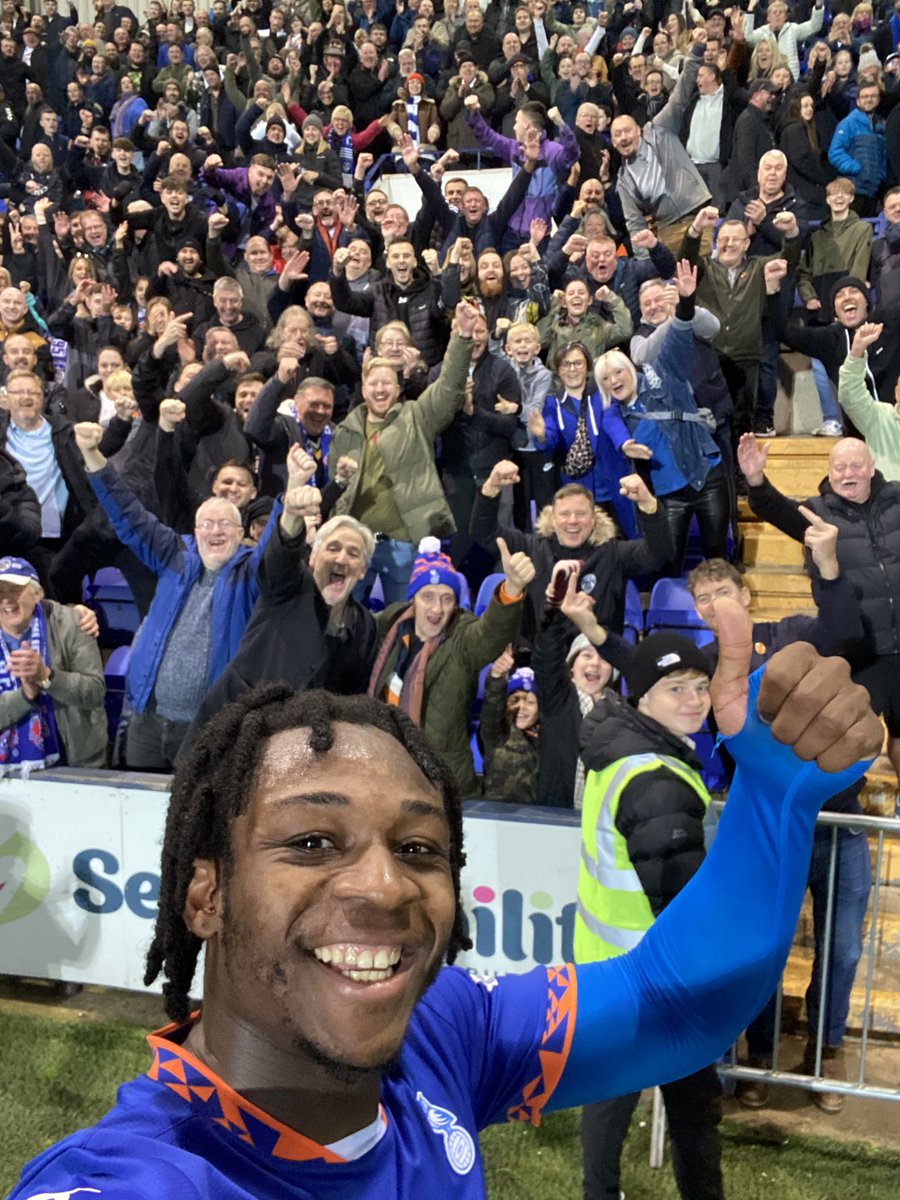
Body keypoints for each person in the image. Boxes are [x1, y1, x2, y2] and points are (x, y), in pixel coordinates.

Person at [8, 601, 882, 1200]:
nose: (385, 885)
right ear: (205, 893)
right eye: (313, 841)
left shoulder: (442, 1034)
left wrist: (773, 798)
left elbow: (669, 1003)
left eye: (419, 848)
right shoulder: (138, 1176)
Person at [687, 555, 869, 1114]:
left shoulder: (791, 631)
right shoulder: (701, 663)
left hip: (839, 824)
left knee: (840, 951)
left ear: (745, 595)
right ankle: (760, 1055)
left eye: (723, 592)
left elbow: (842, 630)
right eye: (704, 599)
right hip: (765, 831)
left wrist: (833, 568)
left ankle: (827, 1052)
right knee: (766, 949)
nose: (715, 605)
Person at [575, 629, 723, 1200]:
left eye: (700, 686)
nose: (694, 699)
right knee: (693, 1118)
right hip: (657, 980)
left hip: (608, 973)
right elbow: (680, 899)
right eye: (675, 688)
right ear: (643, 698)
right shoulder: (654, 778)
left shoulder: (620, 756)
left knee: (607, 1115)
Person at [73, 422, 274, 771]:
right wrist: (93, 456)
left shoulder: (250, 571)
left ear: (242, 534)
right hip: (147, 721)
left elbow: (278, 552)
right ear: (194, 532)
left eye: (225, 524)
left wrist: (297, 492)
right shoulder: (175, 555)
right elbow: (129, 515)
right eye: (206, 524)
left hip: (208, 727)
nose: (215, 531)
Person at [739, 431, 900, 780]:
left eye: (856, 465)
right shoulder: (816, 514)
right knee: (847, 735)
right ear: (828, 472)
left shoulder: (897, 499)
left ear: (872, 468)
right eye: (839, 467)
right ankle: (844, 804)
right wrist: (755, 479)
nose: (847, 474)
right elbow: (772, 507)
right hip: (859, 650)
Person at [369, 534, 532, 795]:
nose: (437, 608)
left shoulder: (461, 638)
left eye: (447, 598)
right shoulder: (391, 627)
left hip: (442, 783)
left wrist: (511, 587)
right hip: (385, 770)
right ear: (413, 599)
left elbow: (490, 634)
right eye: (428, 597)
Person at [595, 260, 729, 574]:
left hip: (706, 477)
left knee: (717, 559)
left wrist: (685, 303)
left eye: (618, 372)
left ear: (630, 369)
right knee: (666, 563)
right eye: (605, 378)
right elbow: (611, 424)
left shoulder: (665, 375)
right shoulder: (615, 412)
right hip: (667, 494)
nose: (614, 380)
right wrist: (626, 443)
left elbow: (680, 338)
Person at [0, 555, 107, 774]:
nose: (7, 601)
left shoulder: (72, 624)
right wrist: (25, 696)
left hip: (74, 762)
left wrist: (47, 676)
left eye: (15, 591)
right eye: (0, 592)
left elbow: (95, 692)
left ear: (37, 594)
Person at [837, 322, 900, 480]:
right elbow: (849, 393)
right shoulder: (879, 417)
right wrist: (857, 351)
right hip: (886, 503)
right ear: (897, 393)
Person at [479, 652, 540, 805]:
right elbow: (493, 706)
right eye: (514, 700)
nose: (521, 707)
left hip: (536, 820)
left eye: (530, 702)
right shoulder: (498, 733)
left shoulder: (547, 738)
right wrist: (496, 677)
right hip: (497, 817)